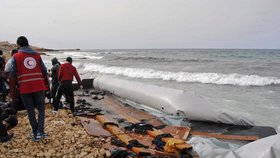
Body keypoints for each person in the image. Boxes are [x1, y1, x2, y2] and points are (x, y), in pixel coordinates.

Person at [9, 36, 50, 141]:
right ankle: (40, 132)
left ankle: (35, 133)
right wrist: (47, 86)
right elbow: (44, 71)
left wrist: (12, 91)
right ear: (28, 44)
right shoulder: (37, 55)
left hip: (25, 89)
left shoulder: (16, 57)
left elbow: (12, 76)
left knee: (30, 111)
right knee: (41, 110)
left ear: (18, 45)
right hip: (39, 87)